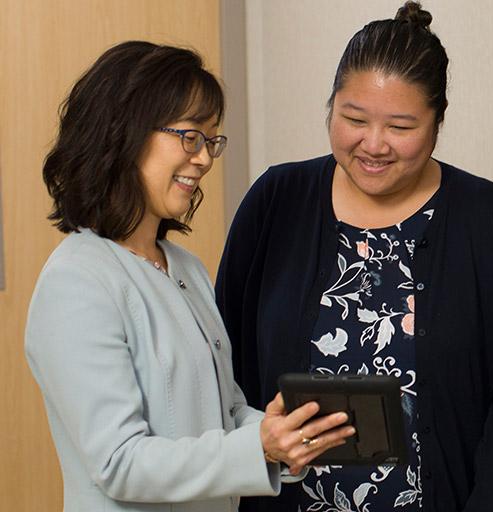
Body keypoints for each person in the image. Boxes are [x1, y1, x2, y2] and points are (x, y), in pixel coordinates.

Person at [215, 3, 493, 511]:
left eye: (400, 127)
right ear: (331, 106)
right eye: (353, 119)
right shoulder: (276, 202)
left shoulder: (488, 219)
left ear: (438, 122)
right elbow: (225, 366)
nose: (373, 145)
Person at [25, 41, 354, 512]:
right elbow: (119, 461)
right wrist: (257, 447)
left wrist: (284, 435)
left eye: (210, 141)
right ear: (123, 132)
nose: (203, 158)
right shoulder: (76, 281)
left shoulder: (186, 269)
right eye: (190, 136)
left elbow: (225, 412)